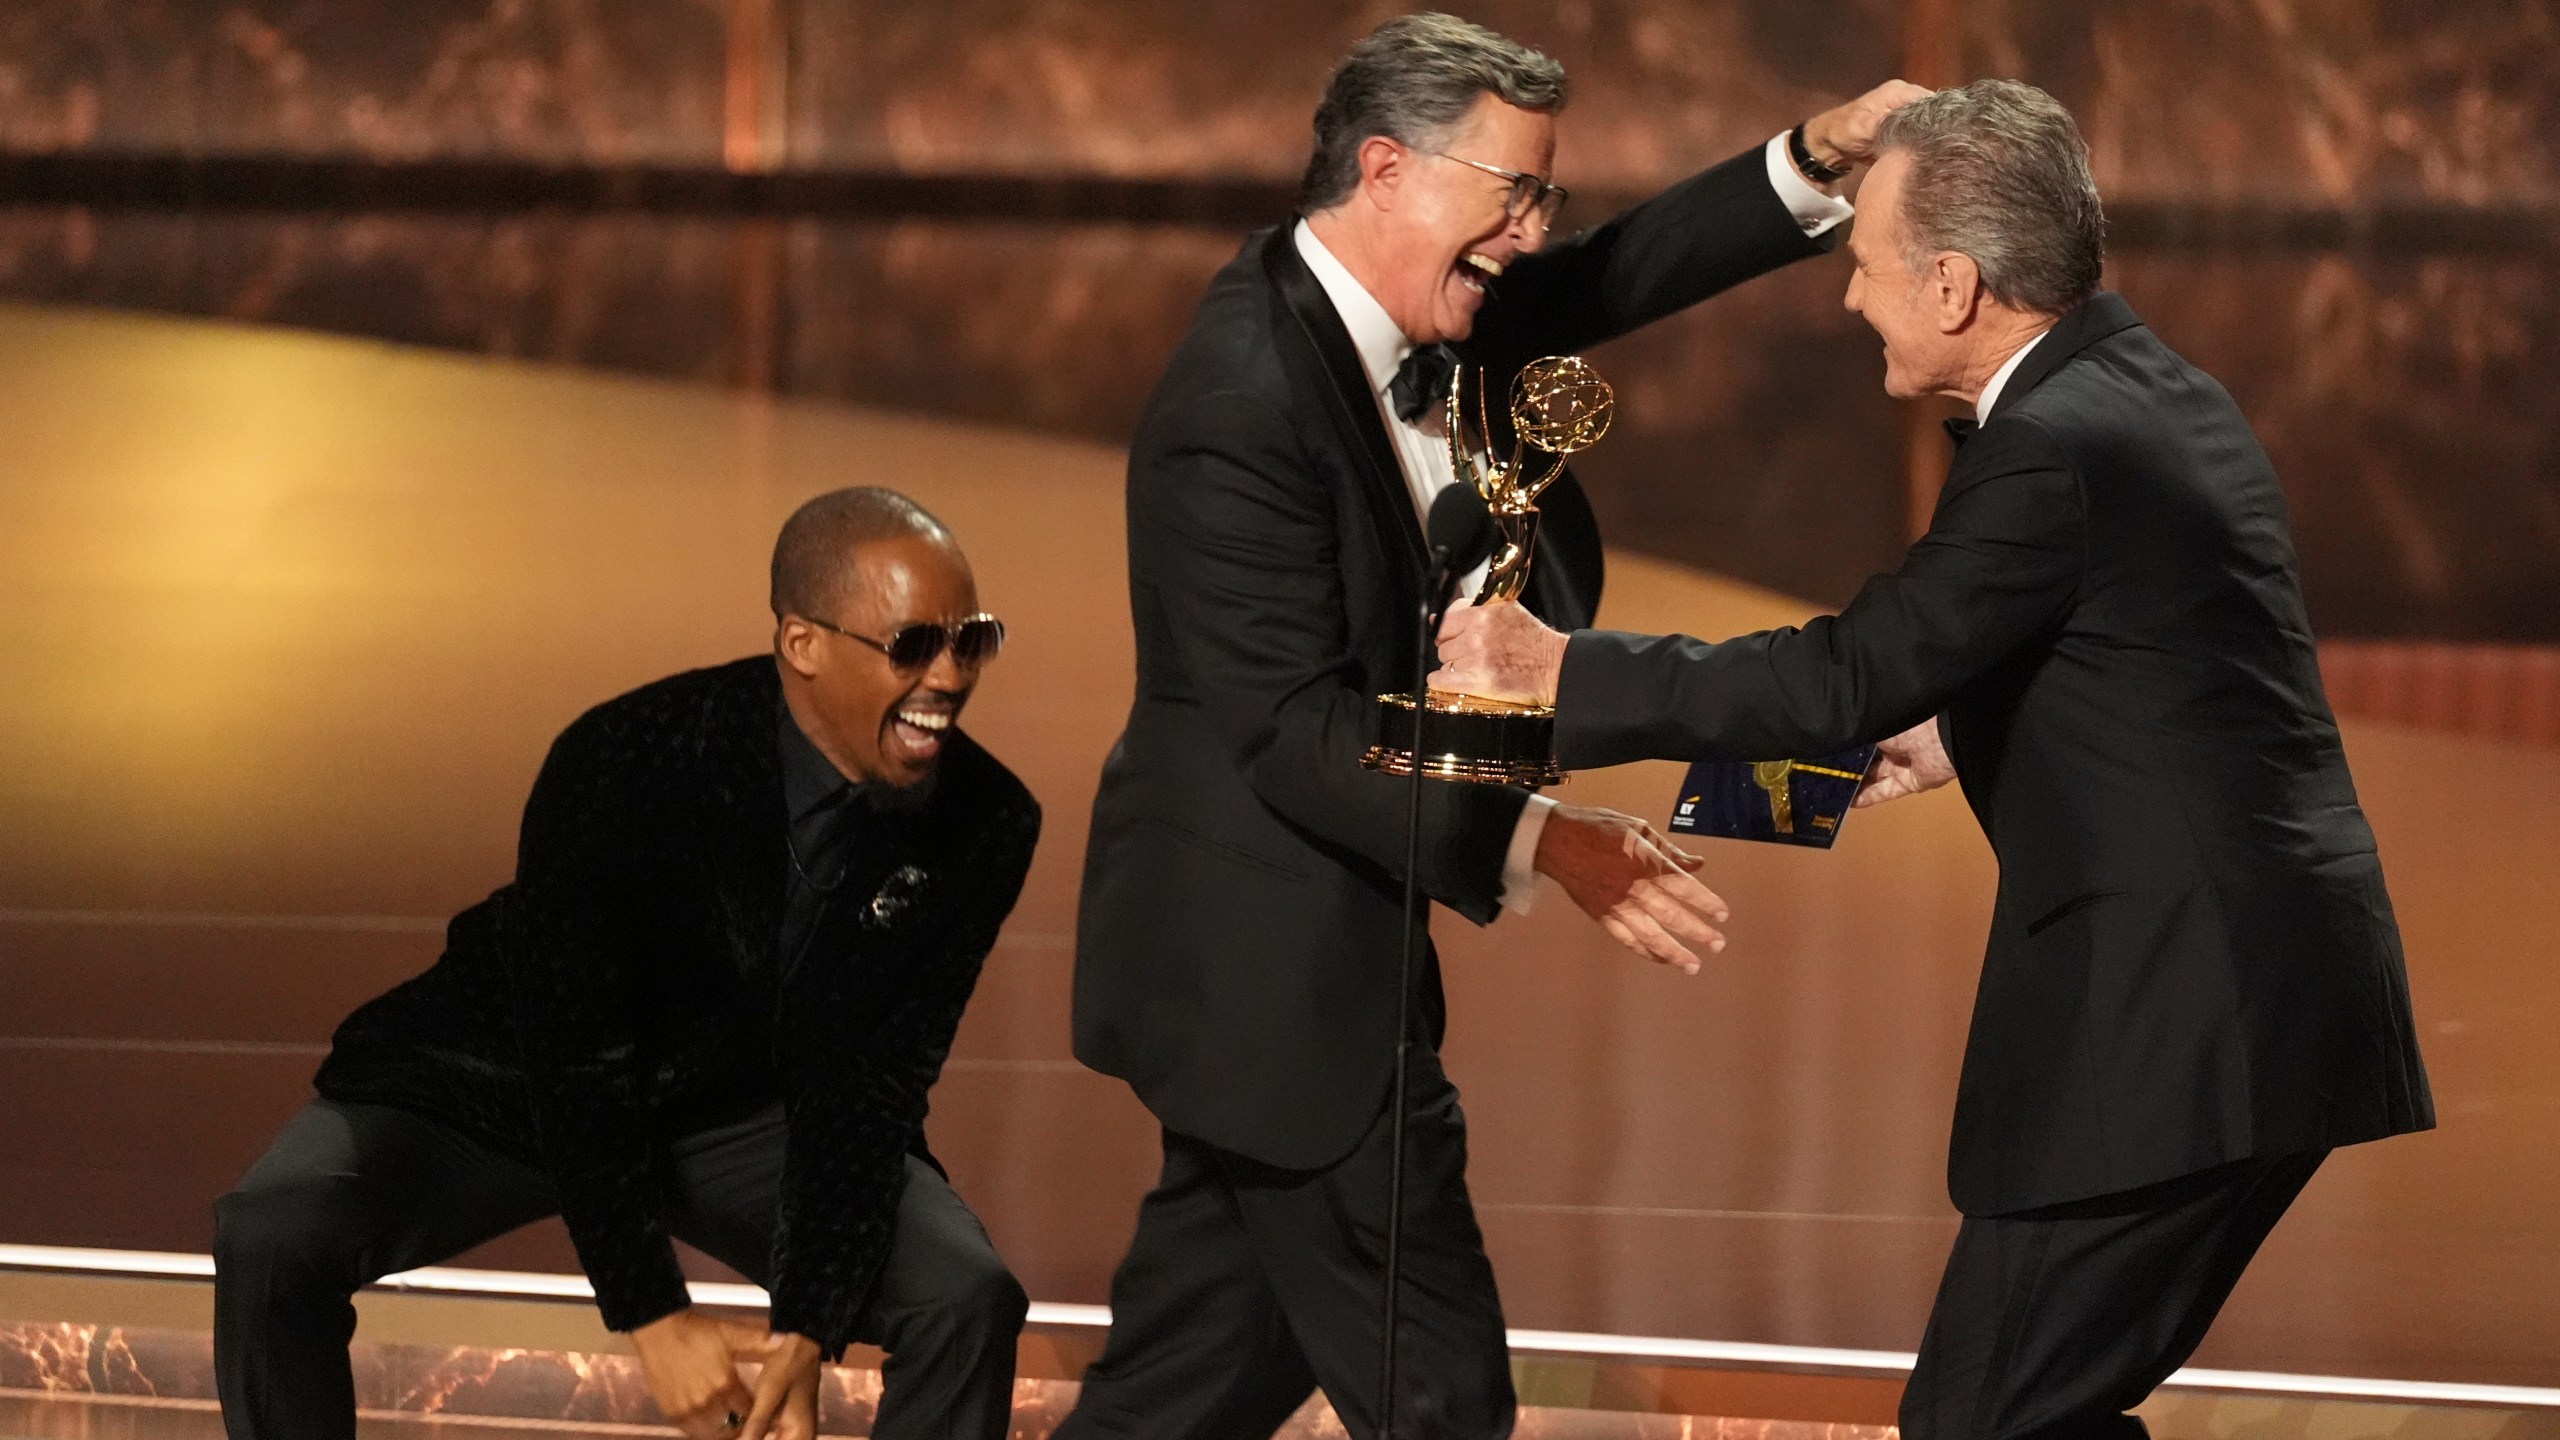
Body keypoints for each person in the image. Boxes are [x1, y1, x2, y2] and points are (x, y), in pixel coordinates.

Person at [1432, 80, 2435, 1440]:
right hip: (2261, 1000)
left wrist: (1564, 670)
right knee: (2030, 1414)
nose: (1852, 299)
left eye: (1866, 265)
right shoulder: (2150, 389)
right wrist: (1963, 727)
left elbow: (1843, 676)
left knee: (1984, 1420)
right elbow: (2154, 652)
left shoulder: (2051, 447)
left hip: (2181, 1025)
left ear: (1953, 284)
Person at [1061, 13, 1926, 1437]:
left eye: (1543, 194)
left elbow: (1625, 269)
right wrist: (1543, 843)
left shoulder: (1440, 308)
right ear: (1386, 170)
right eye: (1512, 192)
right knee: (1443, 1399)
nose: (1531, 232)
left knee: (1195, 1381)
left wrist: (1813, 156)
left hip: (1309, 968)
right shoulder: (1239, 402)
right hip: (1265, 970)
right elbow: (1293, 735)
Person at [212, 488, 1041, 1440]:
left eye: (972, 640)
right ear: (803, 643)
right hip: (509, 1075)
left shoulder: (985, 819)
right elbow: (576, 1060)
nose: (949, 675)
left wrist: (810, 1320)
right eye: (913, 645)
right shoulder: (630, 756)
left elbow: (873, 1082)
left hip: (738, 1109)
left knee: (963, 1299)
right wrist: (652, 1311)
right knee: (272, 1232)